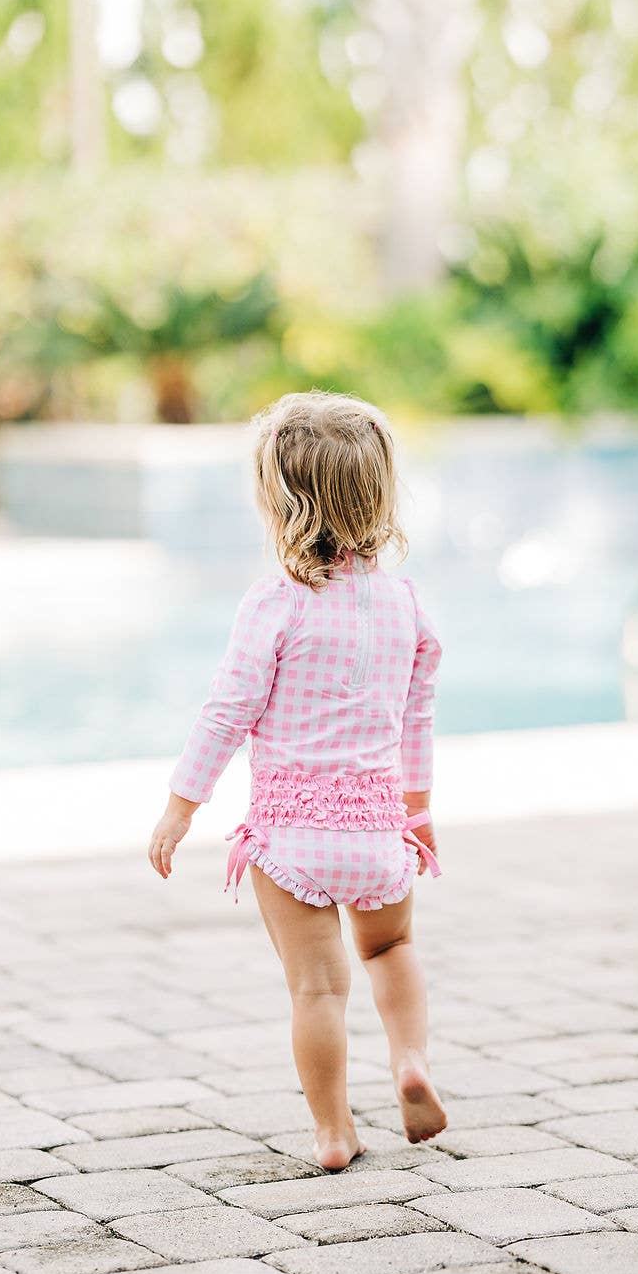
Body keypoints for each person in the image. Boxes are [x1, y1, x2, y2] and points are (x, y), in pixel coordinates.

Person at [149, 390, 446, 1169]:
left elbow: (227, 712)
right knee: (391, 950)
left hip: (291, 838)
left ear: (279, 502)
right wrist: (417, 812)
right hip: (380, 832)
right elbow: (418, 717)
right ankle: (410, 1059)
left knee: (318, 991)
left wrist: (181, 807)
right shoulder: (404, 603)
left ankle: (334, 1131)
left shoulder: (275, 604)